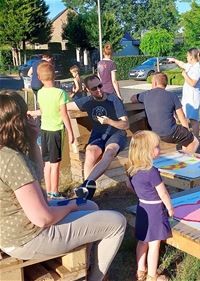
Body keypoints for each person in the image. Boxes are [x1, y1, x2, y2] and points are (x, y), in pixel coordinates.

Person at [0, 91, 126, 281]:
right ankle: (96, 278)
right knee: (117, 222)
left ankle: (86, 265)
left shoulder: (6, 151)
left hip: (12, 231)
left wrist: (34, 142)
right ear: (17, 122)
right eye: (26, 115)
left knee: (91, 206)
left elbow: (38, 179)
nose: (29, 118)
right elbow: (43, 218)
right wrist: (71, 205)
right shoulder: (11, 159)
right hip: (27, 238)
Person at [66, 74, 129, 198]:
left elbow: (126, 124)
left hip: (116, 133)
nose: (99, 89)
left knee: (110, 151)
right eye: (94, 88)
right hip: (99, 134)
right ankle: (88, 192)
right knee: (90, 151)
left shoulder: (114, 99)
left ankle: (85, 186)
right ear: (88, 90)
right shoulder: (87, 101)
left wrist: (109, 121)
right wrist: (35, 112)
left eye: (100, 85)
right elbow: (63, 106)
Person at [127, 130, 173, 281]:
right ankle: (152, 276)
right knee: (154, 244)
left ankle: (140, 271)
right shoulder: (152, 171)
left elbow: (130, 186)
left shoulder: (132, 170)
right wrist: (170, 208)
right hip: (154, 210)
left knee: (142, 241)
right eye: (157, 146)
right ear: (147, 151)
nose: (160, 148)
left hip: (142, 207)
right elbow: (163, 193)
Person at [27, 62, 74, 199]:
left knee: (47, 164)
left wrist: (32, 112)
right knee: (55, 165)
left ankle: (48, 192)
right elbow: (64, 115)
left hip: (44, 131)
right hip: (56, 131)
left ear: (39, 77)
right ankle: (54, 192)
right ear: (54, 75)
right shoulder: (60, 93)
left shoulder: (40, 93)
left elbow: (42, 111)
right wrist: (71, 133)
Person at [130, 72, 199, 154]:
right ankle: (185, 162)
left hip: (154, 132)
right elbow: (181, 116)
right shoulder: (172, 96)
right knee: (194, 142)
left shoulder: (146, 94)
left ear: (155, 83)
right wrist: (186, 130)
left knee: (185, 139)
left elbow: (132, 98)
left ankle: (183, 159)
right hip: (170, 132)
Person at [168, 48, 200, 138]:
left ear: (192, 57)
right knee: (183, 116)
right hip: (187, 97)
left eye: (187, 55)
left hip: (193, 97)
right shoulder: (191, 65)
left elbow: (193, 83)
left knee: (193, 119)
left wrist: (184, 75)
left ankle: (196, 140)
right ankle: (186, 137)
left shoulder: (197, 68)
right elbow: (182, 64)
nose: (186, 57)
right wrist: (174, 60)